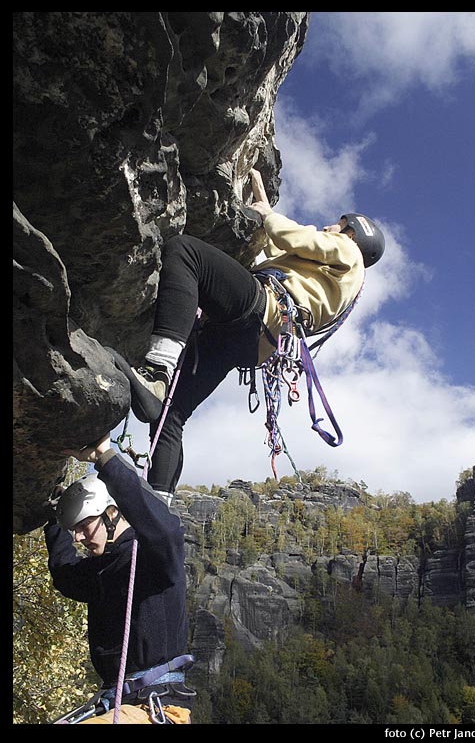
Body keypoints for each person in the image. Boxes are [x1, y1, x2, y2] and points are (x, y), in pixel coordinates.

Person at [108, 168, 385, 500]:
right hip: (257, 344)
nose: (330, 226)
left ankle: (157, 370)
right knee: (171, 414)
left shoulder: (347, 251)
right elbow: (279, 257)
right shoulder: (340, 286)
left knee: (185, 252)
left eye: (339, 224)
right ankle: (159, 508)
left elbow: (298, 239)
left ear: (353, 234)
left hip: (263, 308)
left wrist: (268, 215)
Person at [44, 433, 196, 723]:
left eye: (84, 526)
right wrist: (52, 520)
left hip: (157, 707)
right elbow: (65, 575)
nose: (77, 537)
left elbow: (166, 530)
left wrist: (106, 457)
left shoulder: (151, 557)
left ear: (111, 514)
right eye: (73, 530)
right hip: (119, 705)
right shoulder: (102, 569)